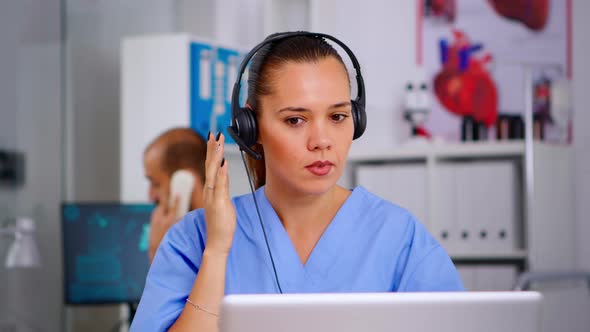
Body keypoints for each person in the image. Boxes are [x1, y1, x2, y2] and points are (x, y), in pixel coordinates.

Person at [131, 32, 464, 332]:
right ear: (251, 127)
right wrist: (217, 252)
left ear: (356, 120)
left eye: (337, 116)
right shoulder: (194, 240)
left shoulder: (400, 238)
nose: (321, 140)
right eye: (295, 120)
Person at [143, 127, 207, 262]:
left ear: (184, 181)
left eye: (155, 184)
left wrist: (160, 253)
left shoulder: (219, 246)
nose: (151, 196)